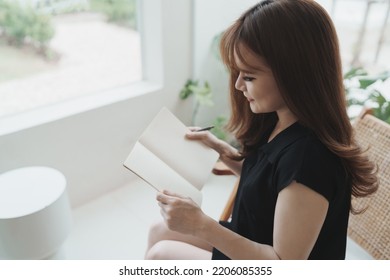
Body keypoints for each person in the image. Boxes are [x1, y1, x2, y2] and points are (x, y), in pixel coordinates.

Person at [144, 0, 378, 260]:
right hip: (254, 239)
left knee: (161, 255)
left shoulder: (309, 158)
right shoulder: (279, 121)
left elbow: (282, 263)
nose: (238, 85)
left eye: (250, 76)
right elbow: (273, 184)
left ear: (295, 74)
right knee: (159, 230)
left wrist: (201, 225)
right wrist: (224, 152)